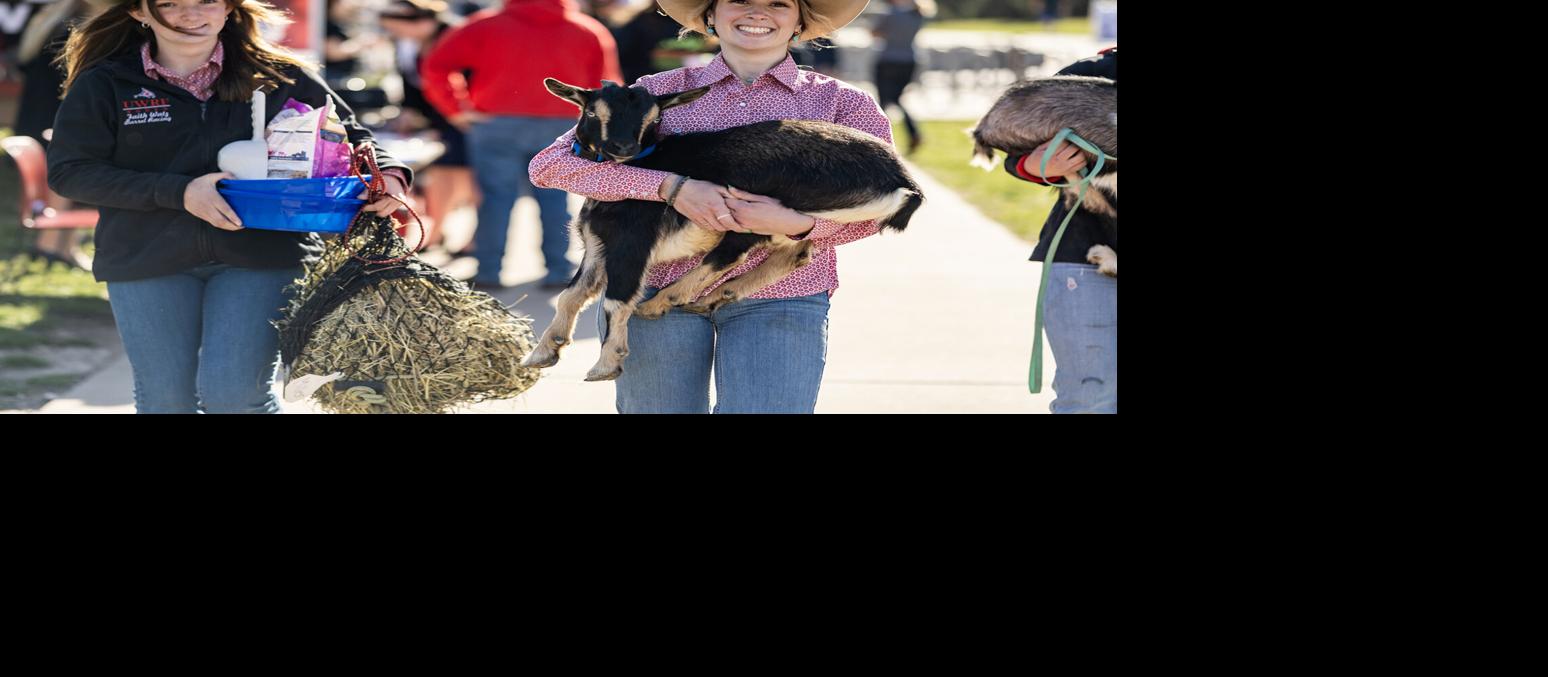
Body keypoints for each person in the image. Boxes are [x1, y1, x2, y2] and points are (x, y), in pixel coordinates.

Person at [47, 0, 414, 413]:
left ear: (227, 9)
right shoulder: (106, 82)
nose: (192, 14)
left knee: (235, 398)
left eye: (207, 1)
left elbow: (353, 135)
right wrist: (180, 192)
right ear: (139, 12)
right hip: (145, 254)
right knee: (165, 401)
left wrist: (391, 175)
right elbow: (71, 173)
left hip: (262, 255)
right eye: (170, 3)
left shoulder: (279, 75)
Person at [529, 0, 891, 414]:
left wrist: (798, 224)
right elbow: (550, 166)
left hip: (780, 295)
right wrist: (670, 187)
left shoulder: (845, 106)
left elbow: (878, 207)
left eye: (777, 3)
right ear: (710, 15)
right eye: (740, 1)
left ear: (800, 20)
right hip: (654, 295)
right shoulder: (656, 92)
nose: (757, 14)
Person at [421, 0, 622, 289]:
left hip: (495, 123)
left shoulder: (483, 24)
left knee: (494, 199)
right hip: (560, 124)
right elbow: (607, 84)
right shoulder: (588, 29)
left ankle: (489, 271)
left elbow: (436, 66)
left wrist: (456, 108)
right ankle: (559, 270)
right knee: (555, 200)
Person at [1002, 46, 1116, 414]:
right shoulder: (1087, 75)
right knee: (1090, 401)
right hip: (1086, 257)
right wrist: (1035, 164)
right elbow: (1014, 150)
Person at [378, 0, 474, 252]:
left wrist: (457, 113)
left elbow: (466, 76)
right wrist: (410, 111)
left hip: (460, 114)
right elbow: (411, 82)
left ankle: (470, 236)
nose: (394, 34)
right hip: (437, 115)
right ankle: (436, 231)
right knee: (441, 174)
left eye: (397, 28)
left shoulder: (456, 36)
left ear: (421, 22)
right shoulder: (407, 43)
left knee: (465, 176)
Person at [14, 0, 93, 270]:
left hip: (57, 110)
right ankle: (49, 245)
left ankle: (63, 246)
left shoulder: (57, 17)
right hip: (54, 110)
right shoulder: (68, 27)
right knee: (65, 170)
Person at [870, 0, 927, 154]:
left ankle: (878, 139)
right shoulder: (918, 14)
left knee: (883, 102)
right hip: (909, 61)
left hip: (888, 60)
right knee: (897, 99)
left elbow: (874, 33)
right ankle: (913, 133)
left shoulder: (889, 14)